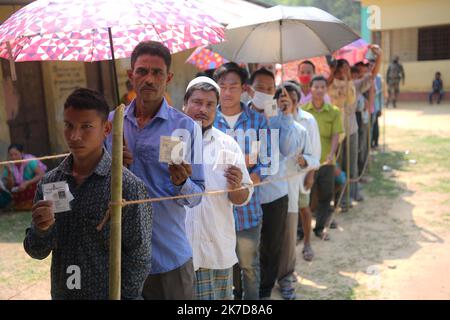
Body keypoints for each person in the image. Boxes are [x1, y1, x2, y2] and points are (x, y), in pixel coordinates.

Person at [23, 88, 152, 299]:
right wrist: (41, 229)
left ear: (107, 129)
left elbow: (139, 257)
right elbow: (36, 251)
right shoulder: (51, 182)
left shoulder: (127, 187)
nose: (75, 136)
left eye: (86, 127)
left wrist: (124, 295)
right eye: (69, 126)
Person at [105, 41, 205, 300]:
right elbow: (96, 183)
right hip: (121, 256)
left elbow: (196, 197)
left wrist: (182, 182)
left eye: (157, 72)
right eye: (142, 71)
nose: (149, 79)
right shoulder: (110, 124)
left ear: (168, 77)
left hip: (168, 256)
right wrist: (114, 168)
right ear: (131, 76)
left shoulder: (185, 127)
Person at [183, 76, 253, 300]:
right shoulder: (170, 142)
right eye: (197, 102)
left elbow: (242, 196)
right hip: (181, 253)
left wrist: (236, 186)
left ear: (217, 108)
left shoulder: (228, 145)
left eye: (210, 104)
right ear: (185, 104)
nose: (203, 109)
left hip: (216, 250)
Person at [213, 62, 270, 300]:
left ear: (244, 89)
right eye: (222, 86)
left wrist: (244, 185)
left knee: (249, 268)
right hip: (215, 213)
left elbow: (265, 163)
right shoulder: (208, 120)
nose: (227, 92)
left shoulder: (257, 121)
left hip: (248, 212)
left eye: (233, 86)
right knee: (221, 270)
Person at [248, 68, 305, 299]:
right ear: (249, 89)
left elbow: (288, 150)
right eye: (259, 88)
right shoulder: (241, 116)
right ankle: (246, 290)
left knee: (271, 247)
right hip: (247, 195)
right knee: (247, 247)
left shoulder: (280, 118)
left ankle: (264, 292)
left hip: (274, 195)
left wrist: (286, 115)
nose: (264, 92)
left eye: (269, 89)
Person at [273, 82, 319, 300]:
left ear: (294, 103)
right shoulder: (267, 125)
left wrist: (304, 161)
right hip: (267, 192)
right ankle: (267, 278)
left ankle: (286, 278)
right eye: (280, 100)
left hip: (290, 190)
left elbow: (313, 157)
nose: (284, 103)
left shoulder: (302, 129)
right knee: (269, 236)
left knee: (289, 238)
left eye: (288, 100)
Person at [328, 45, 382, 209]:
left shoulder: (355, 85)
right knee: (336, 165)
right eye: (341, 68)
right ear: (335, 70)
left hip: (351, 130)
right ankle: (338, 197)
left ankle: (350, 196)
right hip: (333, 133)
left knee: (351, 164)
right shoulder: (329, 84)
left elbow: (372, 76)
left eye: (347, 69)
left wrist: (379, 57)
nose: (344, 72)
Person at [303, 76, 343, 240]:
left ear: (326, 90)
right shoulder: (303, 111)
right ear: (310, 89)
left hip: (327, 161)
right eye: (316, 87)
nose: (319, 90)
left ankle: (319, 228)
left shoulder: (334, 111)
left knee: (326, 195)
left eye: (322, 87)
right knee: (306, 195)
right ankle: (302, 230)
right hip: (308, 162)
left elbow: (335, 135)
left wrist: (331, 153)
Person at [286, 81, 322, 261]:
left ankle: (307, 243)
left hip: (302, 174)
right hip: (282, 179)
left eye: (293, 99)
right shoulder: (276, 120)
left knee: (304, 209)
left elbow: (314, 151)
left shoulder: (308, 120)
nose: (289, 103)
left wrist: (311, 173)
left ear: (298, 101)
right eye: (285, 99)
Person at [2, 144, 46, 211]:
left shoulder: (30, 161)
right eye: (11, 155)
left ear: (22, 153)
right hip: (20, 188)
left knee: (36, 187)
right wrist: (9, 173)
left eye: (16, 154)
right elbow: (10, 186)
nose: (13, 157)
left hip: (31, 185)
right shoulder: (9, 165)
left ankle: (32, 204)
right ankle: (19, 206)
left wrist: (27, 183)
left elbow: (41, 175)